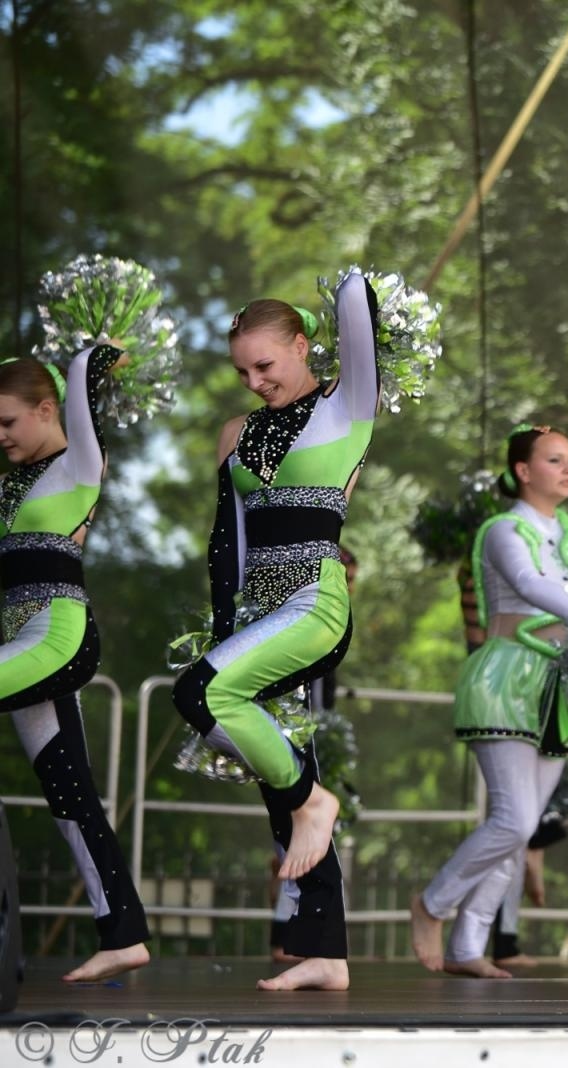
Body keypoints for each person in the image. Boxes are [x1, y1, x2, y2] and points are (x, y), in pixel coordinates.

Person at [172, 274, 378, 992]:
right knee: (277, 775)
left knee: (198, 697)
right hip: (257, 616)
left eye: (267, 364)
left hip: (314, 604)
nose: (255, 381)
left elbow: (357, 313)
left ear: (302, 346)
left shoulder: (346, 404)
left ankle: (316, 804)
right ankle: (325, 949)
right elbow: (224, 542)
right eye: (242, 371)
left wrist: (351, 281)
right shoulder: (237, 432)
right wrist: (223, 627)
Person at [411, 425, 568, 977]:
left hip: (560, 689)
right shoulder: (501, 530)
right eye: (555, 460)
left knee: (524, 824)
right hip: (507, 678)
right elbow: (533, 586)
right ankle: (432, 904)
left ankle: (468, 945)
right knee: (512, 820)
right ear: (523, 471)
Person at [0, 347, 150, 982]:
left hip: (58, 636)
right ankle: (124, 933)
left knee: (72, 792)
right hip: (21, 646)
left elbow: (85, 383)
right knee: (71, 794)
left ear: (45, 409)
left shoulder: (80, 462)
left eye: (8, 421)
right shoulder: (7, 479)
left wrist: (93, 349)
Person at [269, 545, 357, 963]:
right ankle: (287, 932)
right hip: (293, 734)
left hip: (317, 738)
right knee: (288, 834)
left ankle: (312, 933)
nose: (349, 586)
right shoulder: (306, 617)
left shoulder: (335, 621)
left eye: (352, 580)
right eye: (346, 576)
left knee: (311, 833)